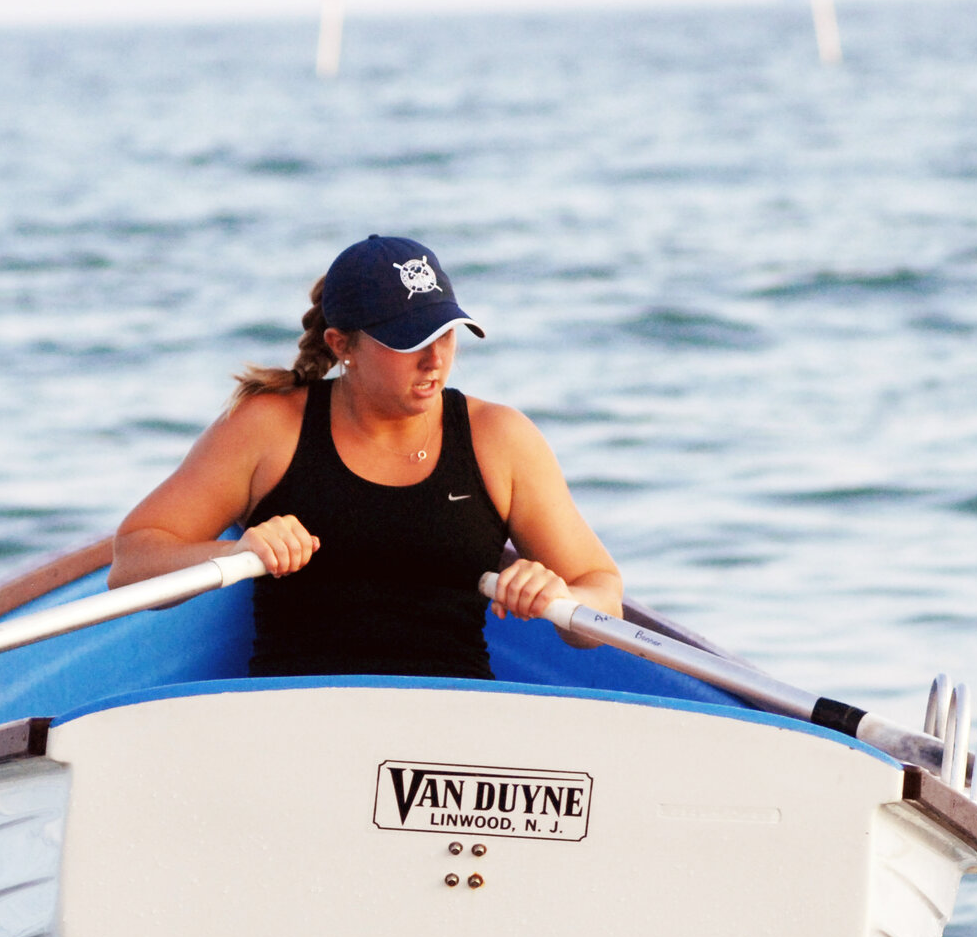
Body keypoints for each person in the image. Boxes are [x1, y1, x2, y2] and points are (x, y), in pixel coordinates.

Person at [109, 235, 621, 678]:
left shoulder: (501, 439)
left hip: (453, 720)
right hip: (294, 714)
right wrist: (237, 553)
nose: (435, 357)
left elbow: (604, 599)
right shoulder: (268, 428)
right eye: (408, 340)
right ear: (341, 345)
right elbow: (131, 561)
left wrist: (562, 599)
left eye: (445, 332)